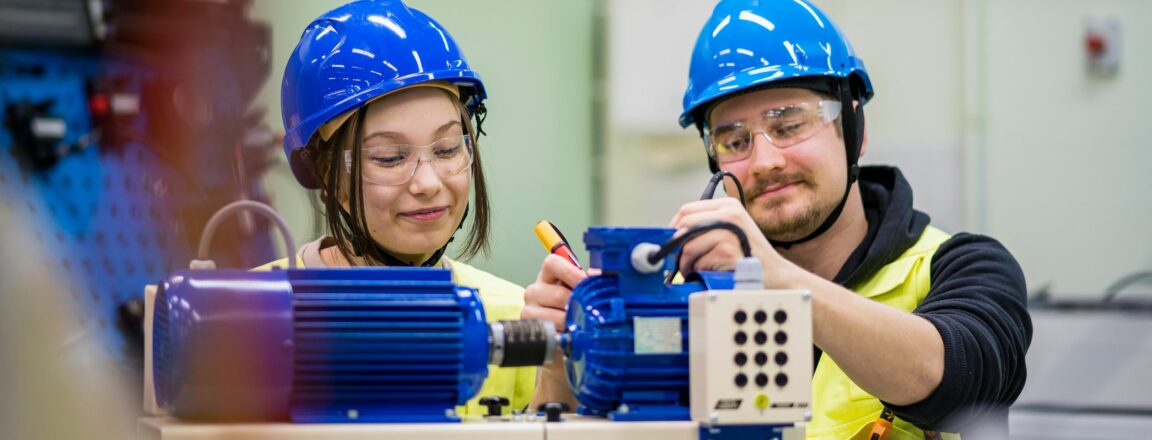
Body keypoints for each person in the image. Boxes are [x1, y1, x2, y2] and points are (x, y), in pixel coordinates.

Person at [523, 1, 1031, 438]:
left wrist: (777, 279)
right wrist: (565, 368)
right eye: (735, 140)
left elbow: (959, 379)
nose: (764, 161)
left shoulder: (961, 266)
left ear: (854, 128)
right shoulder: (687, 298)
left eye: (788, 125)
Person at [260, 0, 535, 416]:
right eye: (389, 157)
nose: (428, 183)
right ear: (323, 171)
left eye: (447, 149)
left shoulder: (517, 316)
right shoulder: (244, 315)